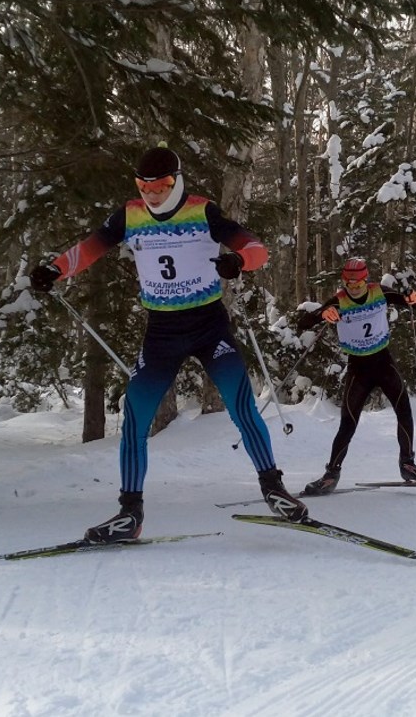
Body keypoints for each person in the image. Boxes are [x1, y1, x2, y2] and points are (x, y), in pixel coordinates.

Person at [28, 144, 307, 542]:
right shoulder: (130, 215)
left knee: (241, 405)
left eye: (160, 185)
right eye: (144, 185)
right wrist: (55, 269)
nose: (152, 193)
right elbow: (91, 246)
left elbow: (255, 247)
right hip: (162, 331)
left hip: (209, 325)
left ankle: (273, 488)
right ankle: (130, 513)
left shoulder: (202, 211)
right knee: (136, 416)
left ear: (176, 181)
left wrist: (239, 262)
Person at [295, 257, 416, 495]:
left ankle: (407, 464)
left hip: (383, 361)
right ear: (344, 281)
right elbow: (304, 322)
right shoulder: (338, 301)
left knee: (404, 411)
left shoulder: (379, 292)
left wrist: (414, 299)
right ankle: (331, 474)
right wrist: (322, 315)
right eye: (349, 282)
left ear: (365, 279)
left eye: (358, 281)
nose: (354, 286)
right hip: (359, 368)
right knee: (348, 423)